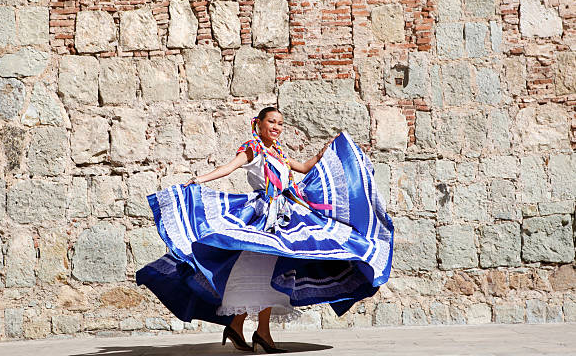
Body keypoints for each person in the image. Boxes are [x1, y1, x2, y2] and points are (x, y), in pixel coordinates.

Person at [136, 107, 394, 353]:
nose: (276, 127)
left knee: (270, 269)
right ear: (258, 124)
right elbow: (230, 167)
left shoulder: (278, 152)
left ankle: (244, 328)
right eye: (271, 122)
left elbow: (303, 168)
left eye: (280, 123)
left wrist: (326, 151)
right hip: (263, 215)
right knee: (261, 267)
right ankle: (256, 331)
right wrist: (199, 179)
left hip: (285, 214)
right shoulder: (253, 149)